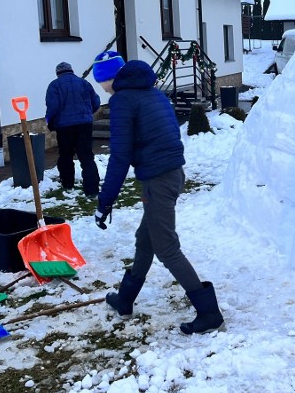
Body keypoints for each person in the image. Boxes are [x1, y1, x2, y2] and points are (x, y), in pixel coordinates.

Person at [91, 50, 224, 335]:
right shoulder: (155, 94)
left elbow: (119, 157)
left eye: (100, 81)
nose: (101, 88)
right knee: (145, 240)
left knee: (166, 248)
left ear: (107, 79)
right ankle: (125, 300)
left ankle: (209, 312)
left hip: (158, 181)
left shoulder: (123, 101)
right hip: (173, 173)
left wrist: (105, 202)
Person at [44, 61, 101, 196]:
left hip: (64, 126)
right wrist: (87, 113)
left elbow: (53, 106)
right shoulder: (84, 83)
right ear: (72, 70)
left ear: (58, 73)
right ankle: (92, 190)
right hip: (84, 124)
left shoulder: (54, 85)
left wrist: (49, 121)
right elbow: (96, 102)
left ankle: (67, 184)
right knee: (86, 157)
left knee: (65, 155)